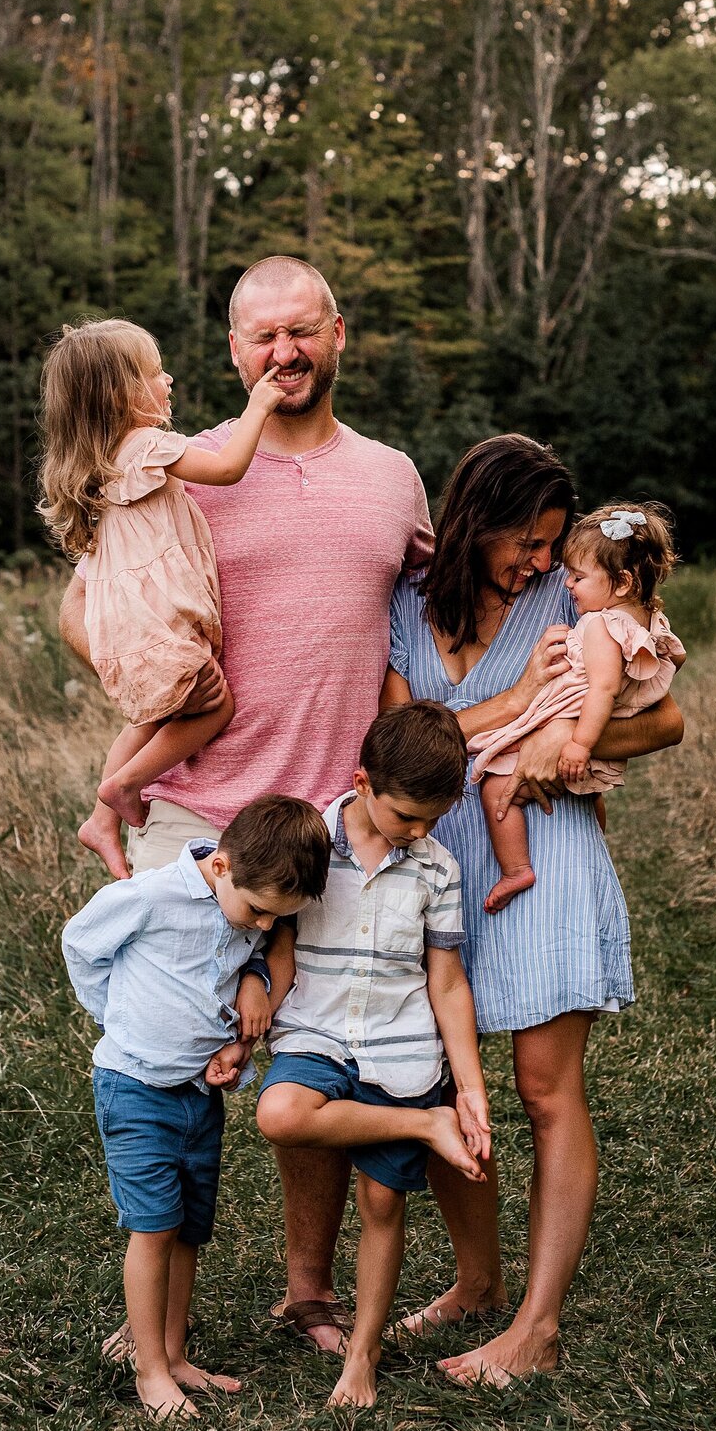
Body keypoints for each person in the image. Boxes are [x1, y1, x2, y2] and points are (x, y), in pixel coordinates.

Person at [58, 255, 433, 1354]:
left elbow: (429, 615)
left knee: (319, 1057)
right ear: (234, 350)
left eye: (302, 331)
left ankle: (308, 1290)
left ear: (337, 333)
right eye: (261, 335)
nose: (284, 351)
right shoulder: (182, 465)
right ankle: (155, 1301)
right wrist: (150, 683)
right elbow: (82, 604)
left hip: (335, 819)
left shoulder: (393, 477)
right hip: (199, 818)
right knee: (176, 1057)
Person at [381, 434, 683, 1386]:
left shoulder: (573, 599)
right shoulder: (403, 608)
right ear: (476, 521)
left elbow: (668, 716)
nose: (543, 562)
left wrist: (573, 742)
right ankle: (476, 1285)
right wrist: (515, 703)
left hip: (545, 855)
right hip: (434, 871)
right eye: (530, 541)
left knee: (547, 1092)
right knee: (429, 1082)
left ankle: (537, 1327)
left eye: (556, 544)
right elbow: (396, 742)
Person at [61, 794, 331, 1419]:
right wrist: (118, 1014)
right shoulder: (151, 896)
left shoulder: (243, 908)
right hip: (134, 1086)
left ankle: (175, 1353)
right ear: (221, 865)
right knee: (153, 1226)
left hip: (198, 1094)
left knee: (187, 1229)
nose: (263, 926)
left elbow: (254, 957)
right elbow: (81, 941)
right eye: (260, 911)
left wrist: (255, 986)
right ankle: (149, 1370)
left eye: (276, 918)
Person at [255, 703, 493, 1407]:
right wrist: (252, 1010)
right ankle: (424, 1127)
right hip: (317, 1033)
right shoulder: (307, 842)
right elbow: (272, 938)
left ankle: (363, 1353)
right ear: (361, 782)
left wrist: (469, 1088)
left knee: (383, 1198)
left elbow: (446, 981)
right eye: (405, 817)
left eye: (432, 820)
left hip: (400, 1043)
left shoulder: (437, 869)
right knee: (279, 1112)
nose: (418, 832)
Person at [37, 317, 286, 878]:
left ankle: (102, 817)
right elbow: (226, 467)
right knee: (215, 705)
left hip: (127, 628)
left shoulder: (101, 470)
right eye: (156, 373)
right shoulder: (146, 446)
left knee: (153, 717)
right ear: (124, 394)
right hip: (160, 627)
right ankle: (124, 785)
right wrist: (260, 406)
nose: (169, 380)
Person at [469, 502, 686, 902]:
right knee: (590, 797)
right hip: (585, 724)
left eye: (578, 576)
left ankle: (515, 869)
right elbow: (667, 662)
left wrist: (578, 744)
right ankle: (593, 848)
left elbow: (602, 689)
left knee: (494, 785)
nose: (566, 584)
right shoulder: (642, 620)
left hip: (573, 722)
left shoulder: (602, 625)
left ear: (621, 583)